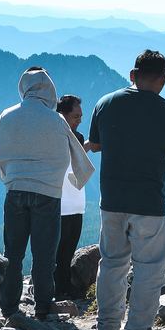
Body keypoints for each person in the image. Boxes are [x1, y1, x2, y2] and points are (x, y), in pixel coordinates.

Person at [89, 50, 165, 330]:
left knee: (111, 263)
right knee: (149, 269)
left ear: (132, 75)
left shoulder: (105, 103)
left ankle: (106, 329)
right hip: (148, 202)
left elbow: (94, 145)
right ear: (164, 79)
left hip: (111, 199)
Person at [0, 68, 94, 321]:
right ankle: (43, 306)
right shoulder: (56, 120)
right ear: (49, 90)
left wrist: (9, 175)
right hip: (47, 192)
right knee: (45, 254)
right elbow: (72, 154)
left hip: (15, 190)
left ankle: (9, 307)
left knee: (12, 252)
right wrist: (61, 178)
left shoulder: (7, 116)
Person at [54, 94, 88, 301]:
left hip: (76, 199)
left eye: (80, 116)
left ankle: (64, 287)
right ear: (62, 115)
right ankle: (54, 289)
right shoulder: (53, 136)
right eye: (76, 116)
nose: (79, 120)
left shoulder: (79, 137)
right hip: (58, 201)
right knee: (57, 250)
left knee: (68, 250)